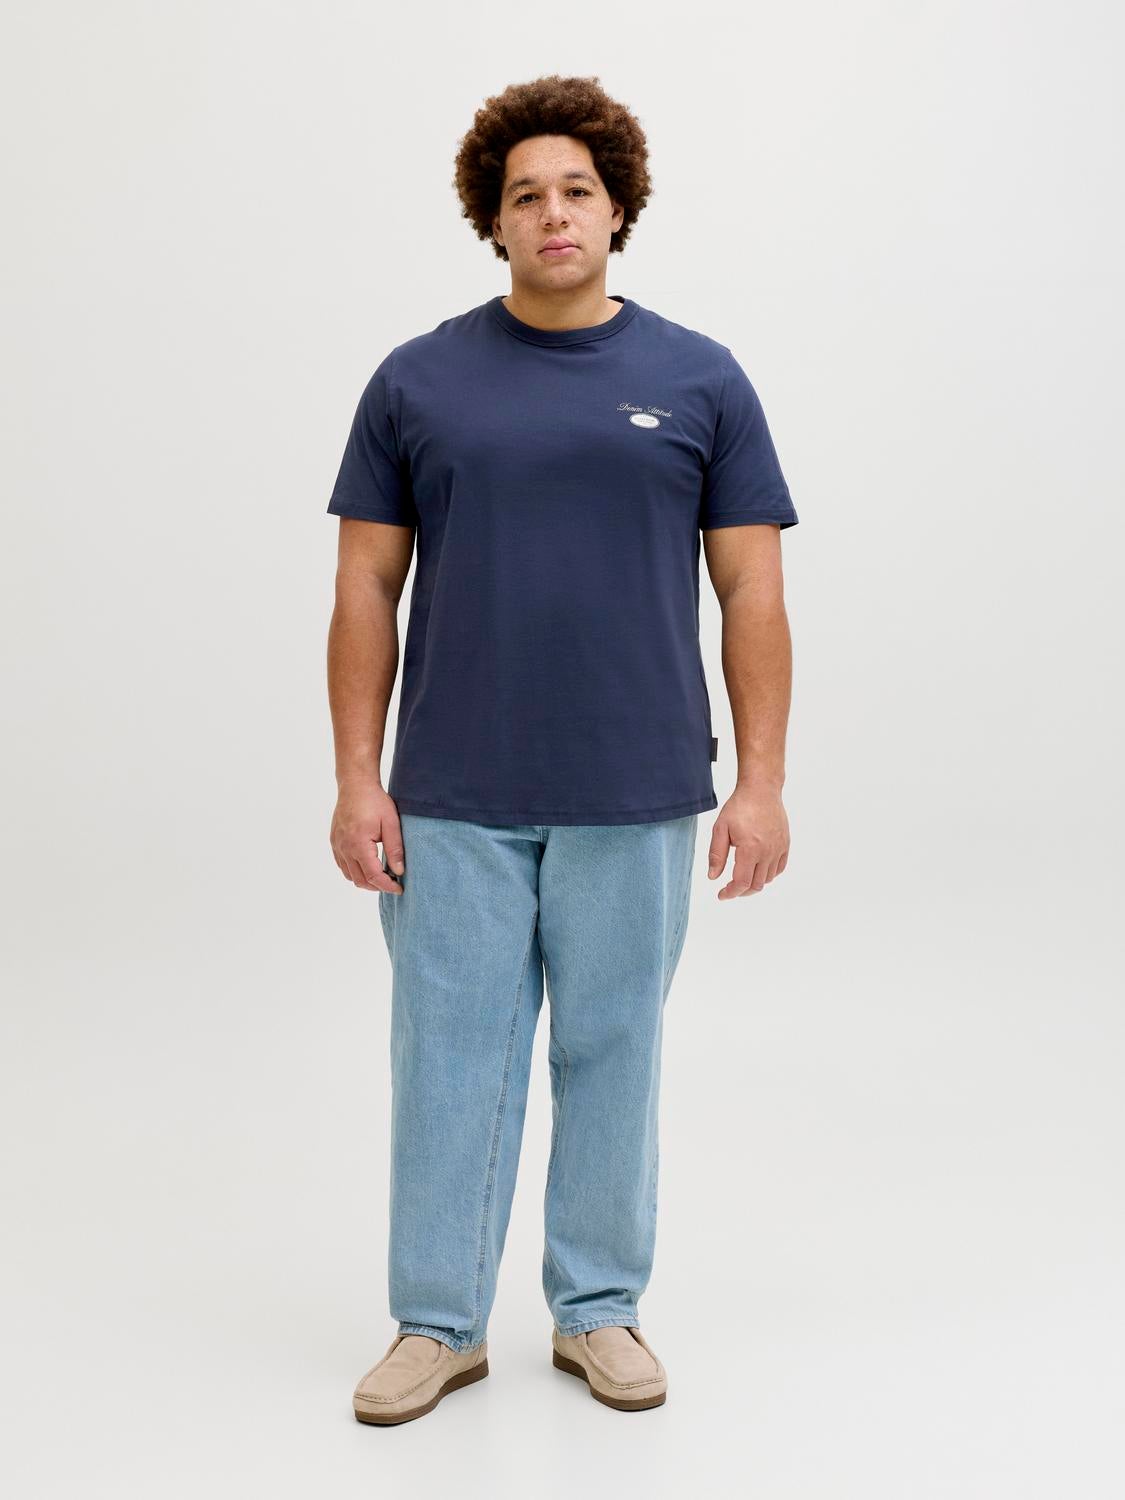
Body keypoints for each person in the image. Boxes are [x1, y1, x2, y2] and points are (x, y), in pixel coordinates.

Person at [325, 73, 798, 1425]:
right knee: (449, 1064)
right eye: (524, 194)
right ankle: (437, 1323)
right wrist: (358, 779)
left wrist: (761, 783)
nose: (552, 213)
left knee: (612, 1053)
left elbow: (751, 592)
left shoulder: (700, 378)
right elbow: (365, 587)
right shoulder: (416, 380)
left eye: (576, 190)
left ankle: (597, 1310)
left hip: (635, 788)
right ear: (493, 218)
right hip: (453, 793)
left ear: (617, 207)